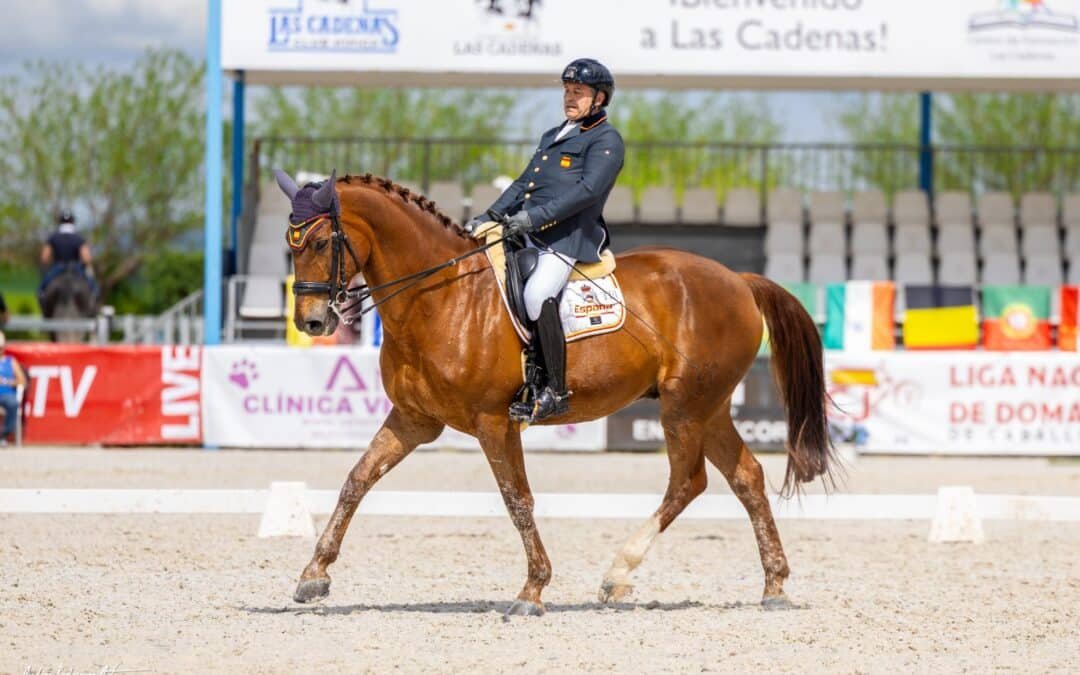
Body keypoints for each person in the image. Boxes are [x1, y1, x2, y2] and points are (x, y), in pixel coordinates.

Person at [464, 58, 625, 423]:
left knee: (537, 295)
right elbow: (523, 184)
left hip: (569, 239)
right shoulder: (553, 135)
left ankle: (553, 389)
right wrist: (489, 217)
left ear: (598, 98)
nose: (570, 97)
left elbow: (587, 191)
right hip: (529, 235)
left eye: (578, 92)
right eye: (567, 91)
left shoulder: (606, 140)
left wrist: (532, 217)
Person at [38, 209, 97, 303]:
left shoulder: (53, 237)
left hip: (58, 266)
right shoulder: (78, 237)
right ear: (73, 221)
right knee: (93, 287)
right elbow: (87, 258)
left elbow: (44, 257)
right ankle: (93, 298)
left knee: (42, 287)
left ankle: (42, 295)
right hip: (75, 267)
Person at [0, 331, 27, 445]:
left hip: (7, 394)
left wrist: (7, 381)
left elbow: (22, 380)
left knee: (13, 404)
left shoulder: (10, 361)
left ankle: (3, 436)